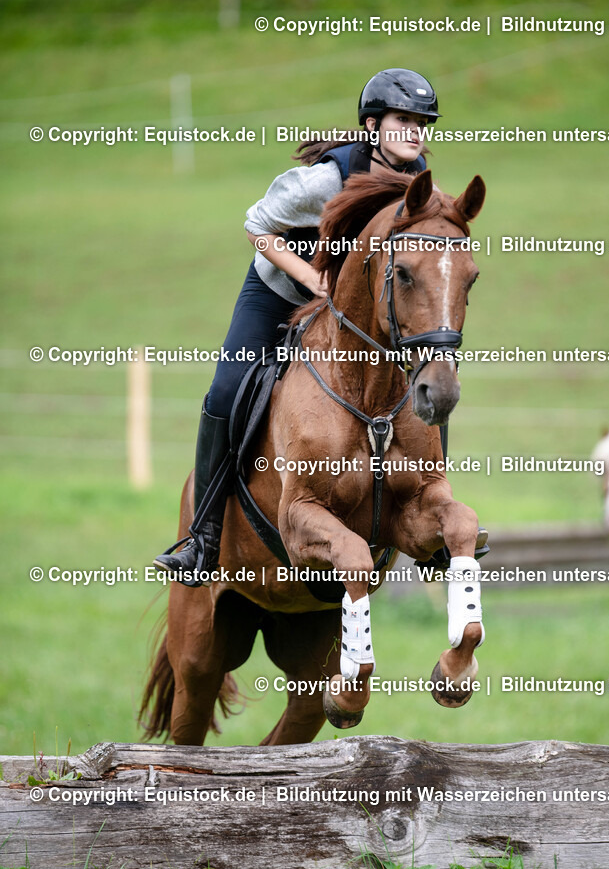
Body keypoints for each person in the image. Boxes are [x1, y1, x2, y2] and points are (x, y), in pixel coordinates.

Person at [154, 69, 441, 585]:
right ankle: (203, 537)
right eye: (405, 120)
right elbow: (255, 223)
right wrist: (312, 278)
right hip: (278, 291)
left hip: (351, 311)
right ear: (372, 125)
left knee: (429, 385)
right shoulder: (326, 181)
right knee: (226, 389)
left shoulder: (419, 185)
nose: (416, 131)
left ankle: (427, 513)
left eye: (422, 122)